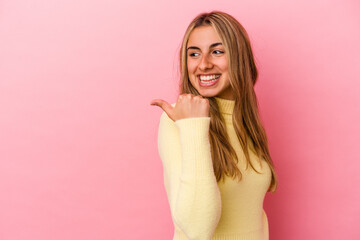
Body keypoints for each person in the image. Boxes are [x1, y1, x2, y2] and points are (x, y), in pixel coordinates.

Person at [150, 10, 278, 240]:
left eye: (217, 52)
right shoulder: (178, 121)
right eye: (194, 54)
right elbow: (197, 229)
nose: (204, 64)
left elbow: (254, 218)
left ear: (239, 57)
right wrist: (194, 127)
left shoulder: (246, 121)